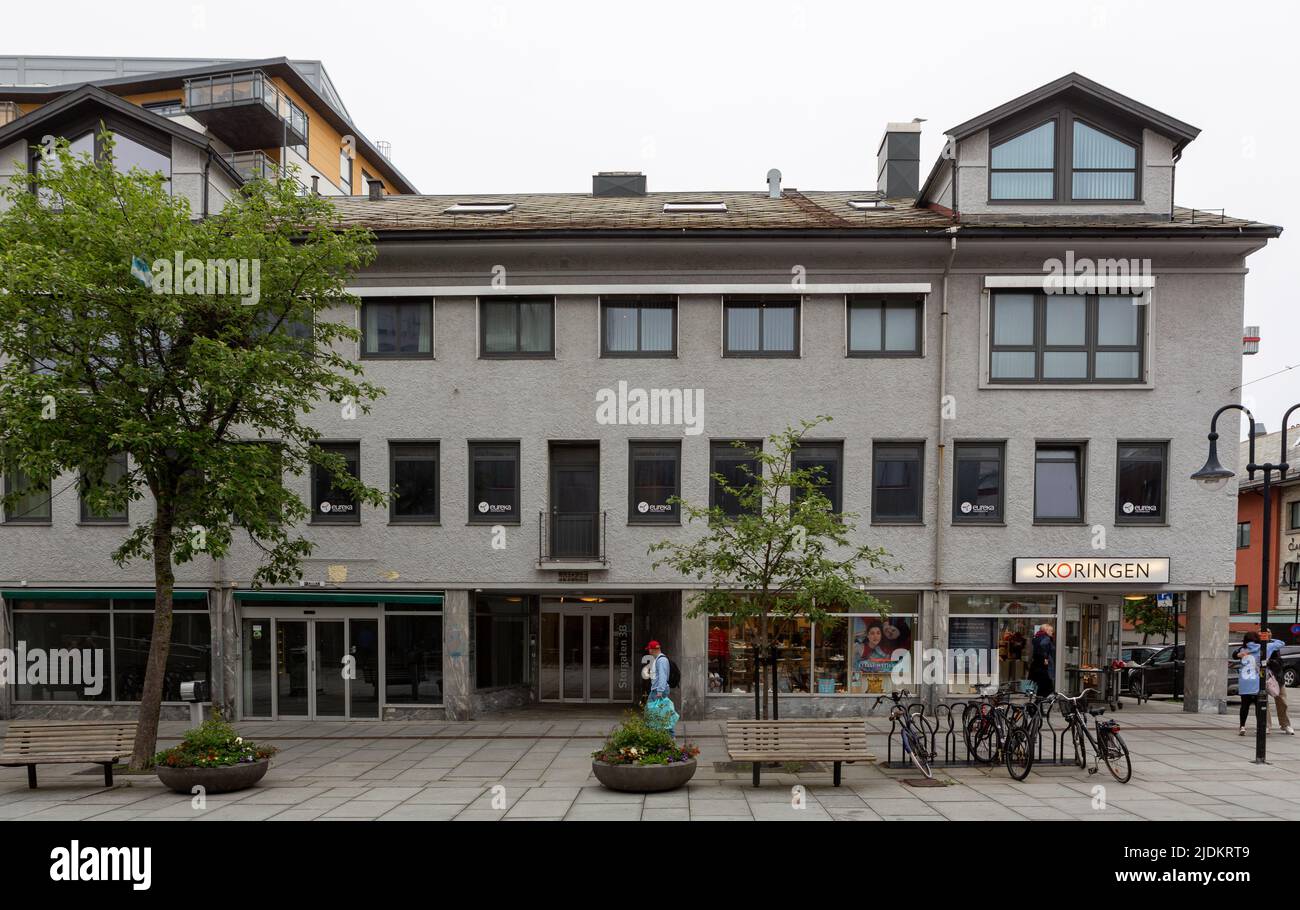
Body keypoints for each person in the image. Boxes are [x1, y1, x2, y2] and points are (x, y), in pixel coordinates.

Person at [1237, 631, 1284, 735]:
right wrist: (1268, 639)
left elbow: (1235, 654)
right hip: (1258, 681)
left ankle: (1242, 727)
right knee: (1259, 706)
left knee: (1244, 705)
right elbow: (1281, 643)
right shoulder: (1266, 647)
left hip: (1244, 682)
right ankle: (1260, 727)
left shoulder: (1243, 650)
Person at [646, 640, 679, 738]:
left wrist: (660, 691)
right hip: (657, 690)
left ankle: (669, 735)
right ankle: (663, 735)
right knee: (660, 712)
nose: (649, 651)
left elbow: (663, 676)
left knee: (657, 713)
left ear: (652, 650)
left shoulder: (661, 660)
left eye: (649, 649)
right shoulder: (659, 659)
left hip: (658, 690)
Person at [1265, 644, 1295, 735]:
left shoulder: (1274, 647)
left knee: (1282, 701)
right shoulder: (1256, 646)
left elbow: (1279, 663)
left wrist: (1269, 662)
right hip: (1261, 678)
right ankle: (1266, 726)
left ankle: (1285, 724)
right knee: (1262, 703)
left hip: (1277, 679)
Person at [1029, 623, 1056, 697]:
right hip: (1044, 668)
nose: (1052, 633)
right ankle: (1037, 704)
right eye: (1051, 631)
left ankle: (1036, 705)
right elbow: (1043, 645)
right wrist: (1045, 658)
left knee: (1042, 687)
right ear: (1046, 630)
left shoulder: (1037, 637)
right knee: (1048, 687)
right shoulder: (1046, 638)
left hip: (1037, 667)